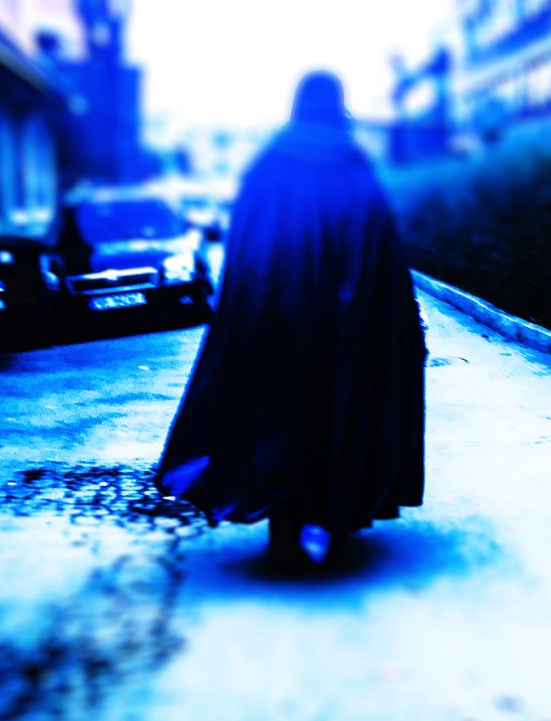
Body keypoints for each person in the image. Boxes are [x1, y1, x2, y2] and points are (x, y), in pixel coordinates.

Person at [156, 71, 426, 566]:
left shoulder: (270, 166)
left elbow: (248, 253)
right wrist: (392, 324)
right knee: (342, 415)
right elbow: (382, 258)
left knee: (279, 422)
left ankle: (284, 534)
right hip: (347, 330)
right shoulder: (354, 165)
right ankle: (339, 526)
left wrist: (244, 316)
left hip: (278, 322)